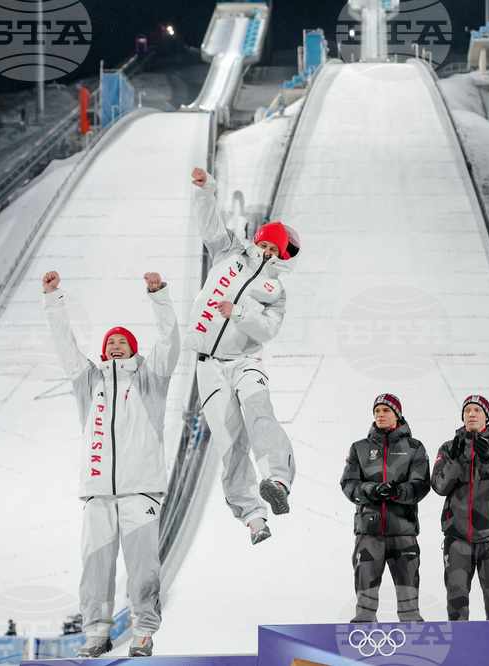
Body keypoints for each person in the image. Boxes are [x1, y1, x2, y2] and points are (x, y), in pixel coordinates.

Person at [43, 270, 180, 658]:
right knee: (95, 569)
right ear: (105, 351)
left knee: (142, 569)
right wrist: (53, 299)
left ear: (133, 349)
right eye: (111, 343)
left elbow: (169, 341)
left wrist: (159, 296)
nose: (116, 346)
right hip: (98, 492)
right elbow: (65, 346)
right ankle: (95, 633)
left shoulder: (151, 379)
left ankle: (143, 631)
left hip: (140, 490)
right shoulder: (89, 381)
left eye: (123, 342)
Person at [187, 167, 299, 545]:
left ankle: (278, 480)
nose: (267, 252)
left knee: (260, 414)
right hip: (208, 367)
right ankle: (253, 516)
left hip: (246, 361)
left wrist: (240, 312)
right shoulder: (230, 250)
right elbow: (210, 223)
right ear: (257, 241)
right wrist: (206, 191)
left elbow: (268, 329)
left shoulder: (276, 290)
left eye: (274, 250)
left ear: (281, 255)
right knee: (229, 440)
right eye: (265, 244)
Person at [340, 394, 431, 622]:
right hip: (369, 534)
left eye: (386, 410)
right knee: (365, 606)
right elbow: (348, 484)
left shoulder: (414, 448)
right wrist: (372, 490)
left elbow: (421, 485)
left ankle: (414, 648)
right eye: (377, 410)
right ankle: (363, 644)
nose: (380, 414)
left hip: (403, 532)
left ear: (397, 414)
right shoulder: (359, 448)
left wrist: (396, 492)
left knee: (409, 604)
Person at [431, 395, 489, 622]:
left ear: (486, 416)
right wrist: (456, 461)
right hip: (457, 537)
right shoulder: (449, 447)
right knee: (456, 601)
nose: (471, 414)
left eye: (477, 410)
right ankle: (460, 653)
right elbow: (439, 486)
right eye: (467, 410)